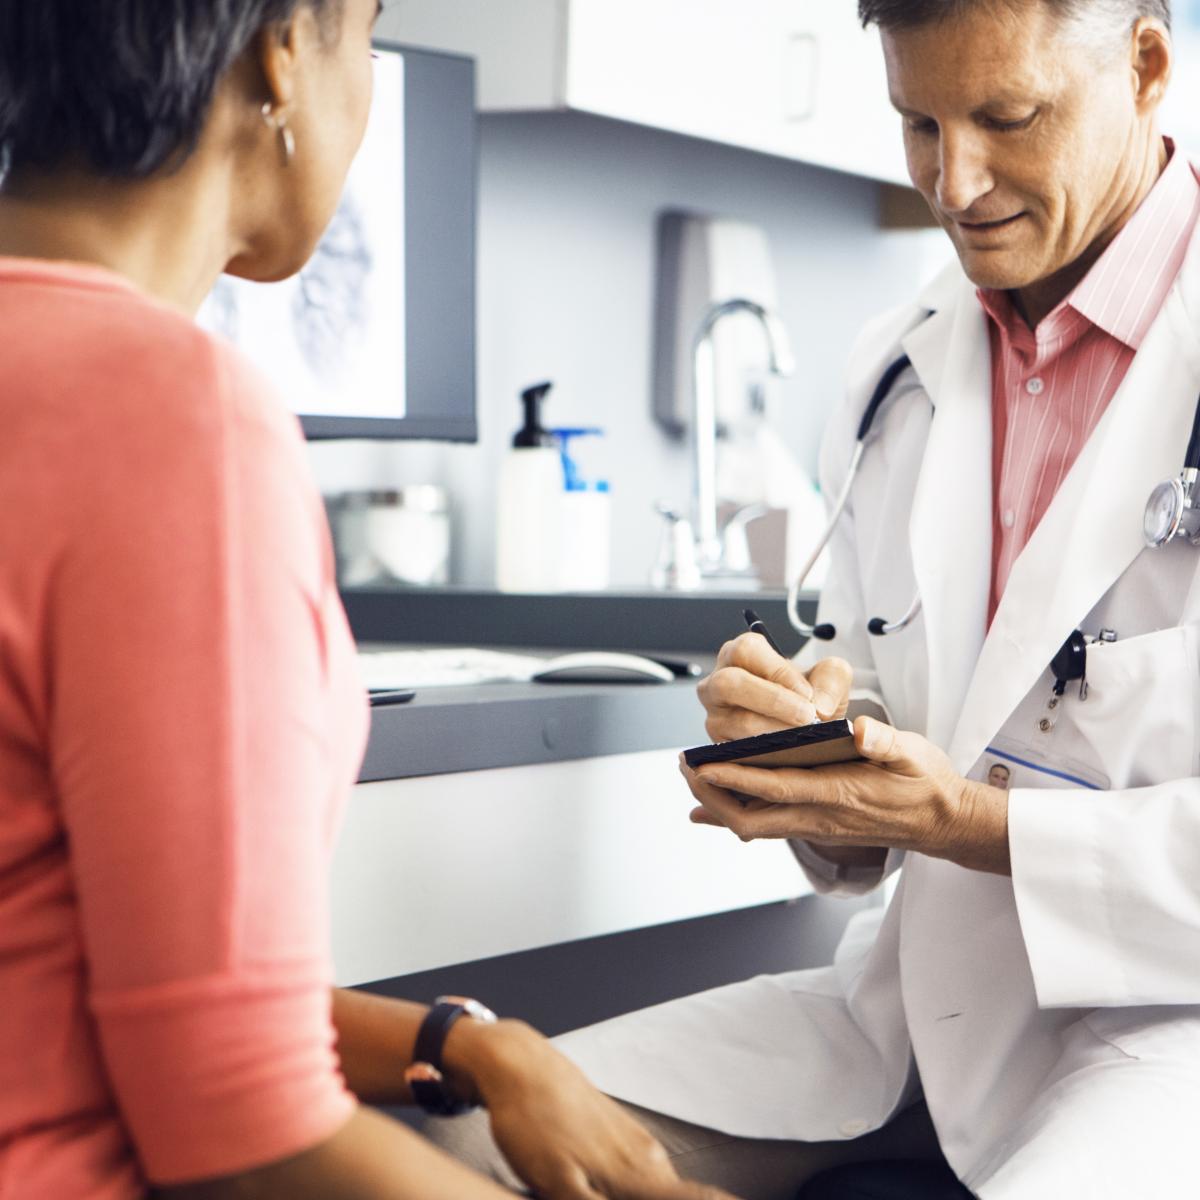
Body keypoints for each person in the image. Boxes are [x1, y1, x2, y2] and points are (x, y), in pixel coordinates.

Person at [432, 1, 1200, 1197]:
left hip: (1168, 1035)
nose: (956, 180)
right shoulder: (901, 361)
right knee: (464, 1147)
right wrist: (814, 741)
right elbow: (897, 696)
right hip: (908, 1013)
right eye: (917, 123)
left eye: (1009, 116)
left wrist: (964, 822)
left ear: (1146, 65)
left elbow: (967, 796)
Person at [0, 4, 738, 1199]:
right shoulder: (176, 418)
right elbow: (247, 1136)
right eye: (369, 35)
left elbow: (106, 972)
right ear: (283, 48)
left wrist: (460, 1042)